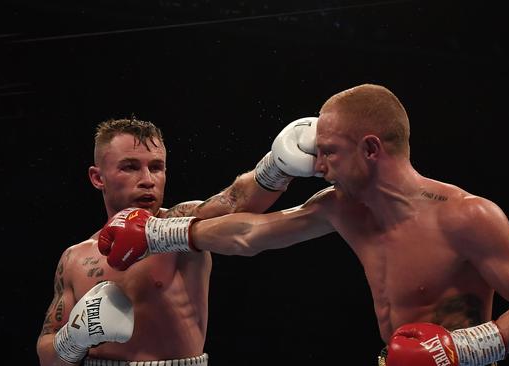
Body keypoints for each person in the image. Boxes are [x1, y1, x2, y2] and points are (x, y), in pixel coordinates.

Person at [99, 84, 509, 366]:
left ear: (370, 149)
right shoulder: (343, 207)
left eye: (328, 151)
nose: (317, 164)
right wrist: (160, 233)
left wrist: (464, 349)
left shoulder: (465, 215)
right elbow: (250, 234)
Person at [36, 115, 320, 366]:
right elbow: (47, 356)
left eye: (156, 167)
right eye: (130, 167)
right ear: (98, 178)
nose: (147, 179)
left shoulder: (178, 222)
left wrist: (278, 165)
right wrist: (74, 337)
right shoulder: (75, 259)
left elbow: (233, 200)